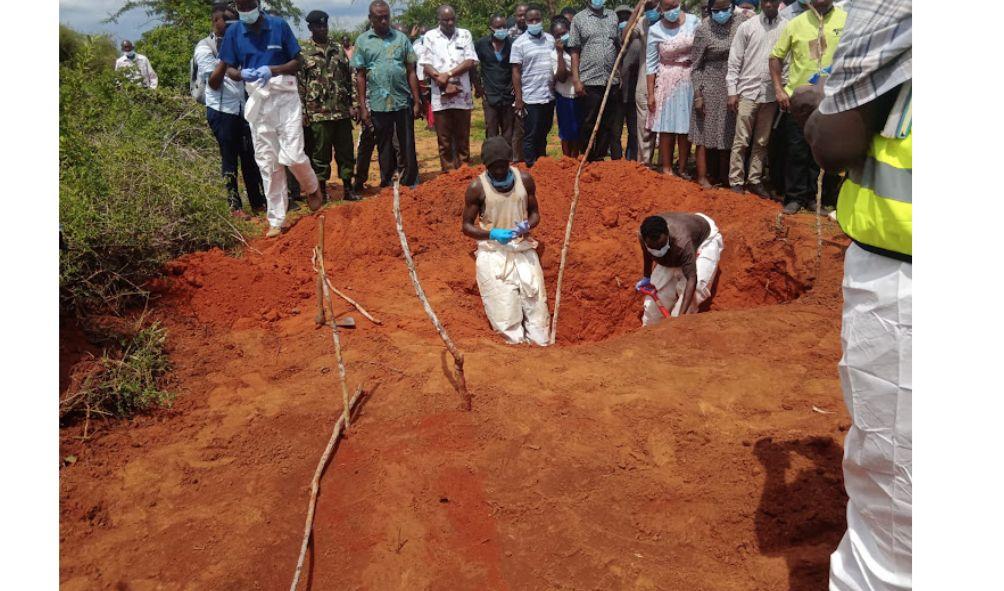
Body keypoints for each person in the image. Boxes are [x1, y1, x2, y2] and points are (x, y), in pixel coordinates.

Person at [798, 1, 912, 588]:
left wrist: (815, 108)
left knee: (897, 538)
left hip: (907, 285)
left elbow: (837, 144)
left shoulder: (894, 9)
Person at [217, 0, 326, 238]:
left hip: (284, 94)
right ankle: (276, 219)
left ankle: (312, 188)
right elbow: (229, 68)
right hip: (257, 98)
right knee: (268, 162)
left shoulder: (278, 26)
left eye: (249, 5)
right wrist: (242, 74)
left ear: (258, 3)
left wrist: (272, 69)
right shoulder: (234, 31)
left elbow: (298, 62)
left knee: (294, 154)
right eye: (241, 7)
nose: (246, 11)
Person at [462, 136, 550, 346]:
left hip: (522, 249)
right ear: (486, 166)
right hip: (494, 254)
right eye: (494, 167)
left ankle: (541, 348)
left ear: (510, 162)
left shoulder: (525, 181)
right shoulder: (477, 188)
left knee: (537, 307)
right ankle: (515, 355)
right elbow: (466, 226)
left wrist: (528, 225)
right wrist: (492, 234)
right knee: (505, 311)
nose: (500, 171)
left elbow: (535, 213)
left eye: (503, 165)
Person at [769, 0, 846, 213]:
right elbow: (775, 57)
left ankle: (814, 198)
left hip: (831, 99)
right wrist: (779, 89)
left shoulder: (845, 20)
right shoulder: (795, 23)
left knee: (820, 151)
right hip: (800, 102)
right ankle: (794, 197)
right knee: (797, 150)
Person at [197, 3, 265, 218]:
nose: (230, 25)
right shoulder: (204, 48)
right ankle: (234, 206)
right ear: (215, 21)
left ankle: (257, 202)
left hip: (241, 109)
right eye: (226, 20)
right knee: (229, 158)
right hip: (221, 111)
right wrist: (226, 56)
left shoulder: (239, 43)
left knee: (249, 157)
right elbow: (214, 83)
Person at [352, 1, 423, 188]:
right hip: (378, 103)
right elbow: (360, 76)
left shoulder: (401, 39)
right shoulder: (362, 41)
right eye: (379, 17)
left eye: (386, 16)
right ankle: (387, 180)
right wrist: (363, 106)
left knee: (406, 142)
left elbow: (411, 71)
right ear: (371, 18)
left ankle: (410, 181)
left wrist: (417, 100)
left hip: (402, 101)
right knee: (384, 145)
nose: (384, 20)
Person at [299, 10, 360, 203]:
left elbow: (350, 77)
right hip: (318, 113)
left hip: (341, 111)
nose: (322, 29)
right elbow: (300, 84)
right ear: (310, 28)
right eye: (318, 26)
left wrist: (355, 104)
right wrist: (303, 112)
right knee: (320, 155)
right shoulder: (303, 52)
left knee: (346, 153)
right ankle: (322, 192)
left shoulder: (338, 49)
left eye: (324, 25)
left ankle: (348, 189)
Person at [725, 0, 783, 196]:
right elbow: (734, 60)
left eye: (773, 1)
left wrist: (783, 90)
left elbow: (789, 60)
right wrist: (732, 91)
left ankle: (755, 179)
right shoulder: (747, 27)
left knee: (761, 141)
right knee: (741, 140)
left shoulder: (787, 27)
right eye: (765, 0)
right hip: (747, 92)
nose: (769, 4)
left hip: (770, 94)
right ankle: (735, 180)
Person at [689, 0, 747, 189]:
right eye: (716, 11)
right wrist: (698, 94)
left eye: (725, 10)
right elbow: (696, 66)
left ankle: (725, 175)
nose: (721, 13)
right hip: (710, 84)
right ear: (710, 10)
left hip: (734, 84)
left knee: (728, 132)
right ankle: (702, 176)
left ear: (732, 7)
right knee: (704, 133)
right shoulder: (703, 29)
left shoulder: (741, 23)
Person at [419, 5, 479, 172]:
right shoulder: (430, 36)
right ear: (439, 20)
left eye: (453, 18)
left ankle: (464, 170)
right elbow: (426, 64)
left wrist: (449, 73)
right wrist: (442, 80)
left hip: (462, 95)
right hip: (441, 95)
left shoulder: (465, 34)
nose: (450, 22)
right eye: (446, 20)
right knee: (444, 139)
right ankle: (448, 172)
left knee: (463, 137)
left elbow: (470, 61)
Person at [635, 212, 723, 325]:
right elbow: (647, 254)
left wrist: (680, 319)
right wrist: (647, 277)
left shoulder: (682, 242)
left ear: (668, 236)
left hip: (704, 239)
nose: (658, 250)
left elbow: (692, 278)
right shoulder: (644, 236)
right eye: (654, 247)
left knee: (696, 290)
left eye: (661, 245)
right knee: (653, 312)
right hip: (677, 247)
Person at [646, 0, 699, 177]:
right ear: (660, 9)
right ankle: (667, 167)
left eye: (674, 6)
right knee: (666, 126)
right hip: (666, 80)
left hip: (689, 78)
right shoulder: (655, 30)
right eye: (667, 8)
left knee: (685, 127)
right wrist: (651, 93)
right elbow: (651, 65)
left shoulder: (694, 21)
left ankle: (683, 168)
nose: (672, 11)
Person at [569, 0, 623, 161]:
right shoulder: (579, 19)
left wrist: (619, 73)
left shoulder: (613, 17)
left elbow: (618, 46)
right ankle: (587, 156)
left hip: (611, 80)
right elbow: (574, 51)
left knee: (608, 123)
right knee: (588, 122)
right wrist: (577, 80)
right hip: (589, 80)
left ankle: (600, 156)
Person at [511, 7, 556, 168]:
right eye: (531, 20)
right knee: (530, 134)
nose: (535, 23)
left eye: (537, 19)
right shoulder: (519, 43)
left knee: (544, 132)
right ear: (526, 22)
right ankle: (531, 165)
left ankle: (541, 162)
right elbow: (516, 72)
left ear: (542, 19)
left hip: (548, 95)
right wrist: (519, 98)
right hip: (530, 96)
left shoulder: (550, 40)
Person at [475, 14, 516, 151]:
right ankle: (492, 158)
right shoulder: (481, 44)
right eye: (499, 27)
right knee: (491, 131)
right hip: (490, 95)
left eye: (504, 27)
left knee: (508, 131)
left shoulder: (512, 44)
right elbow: (472, 66)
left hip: (508, 95)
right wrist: (478, 87)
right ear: (491, 28)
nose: (502, 30)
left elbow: (517, 68)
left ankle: (507, 160)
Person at [610, 5, 641, 161]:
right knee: (615, 132)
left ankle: (632, 160)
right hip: (616, 96)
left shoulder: (638, 42)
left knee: (634, 132)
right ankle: (616, 160)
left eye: (626, 18)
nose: (623, 21)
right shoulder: (611, 42)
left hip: (633, 95)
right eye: (619, 18)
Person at [634, 1, 662, 165]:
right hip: (645, 81)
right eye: (648, 8)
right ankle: (644, 165)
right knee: (645, 127)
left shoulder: (672, 22)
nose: (651, 11)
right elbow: (626, 37)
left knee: (666, 128)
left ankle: (664, 166)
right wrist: (637, 9)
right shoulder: (642, 22)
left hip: (668, 80)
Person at [551, 17, 581, 159]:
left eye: (564, 33)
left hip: (579, 95)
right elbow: (561, 76)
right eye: (557, 35)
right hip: (564, 96)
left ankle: (575, 158)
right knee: (566, 131)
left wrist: (573, 73)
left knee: (577, 131)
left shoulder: (578, 49)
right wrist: (559, 54)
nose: (562, 37)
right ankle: (567, 159)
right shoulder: (554, 54)